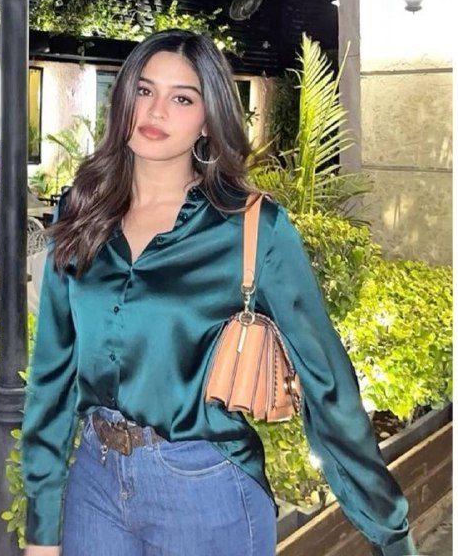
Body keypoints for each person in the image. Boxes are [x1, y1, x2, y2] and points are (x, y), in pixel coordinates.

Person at [21, 29, 417, 556]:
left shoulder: (252, 227)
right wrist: (42, 524)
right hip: (95, 481)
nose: (156, 110)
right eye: (144, 90)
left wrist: (391, 533)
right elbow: (52, 374)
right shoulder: (81, 212)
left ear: (208, 120)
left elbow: (328, 383)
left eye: (182, 98)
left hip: (203, 489)